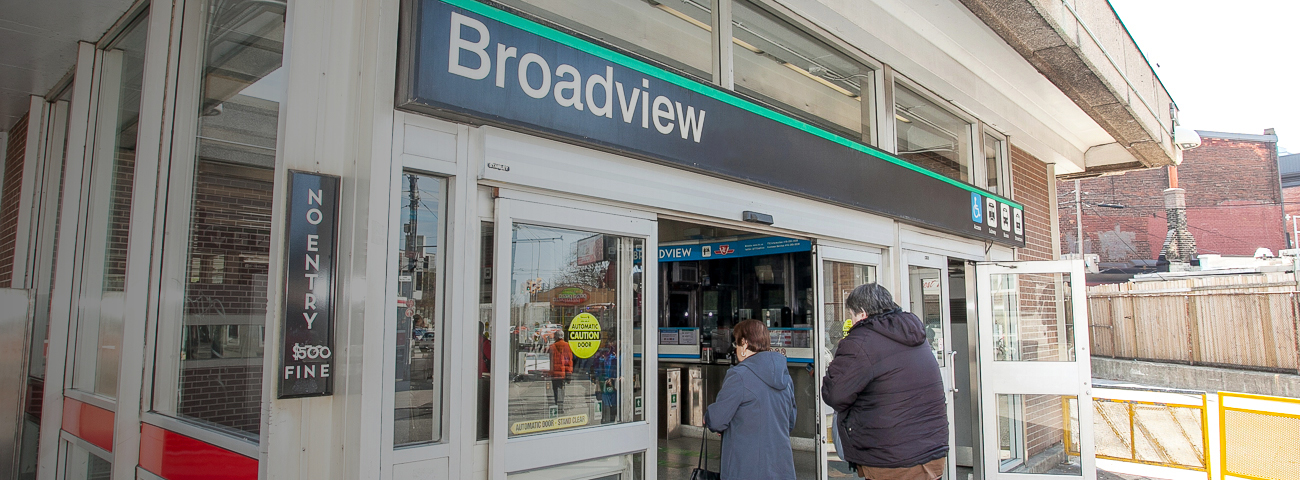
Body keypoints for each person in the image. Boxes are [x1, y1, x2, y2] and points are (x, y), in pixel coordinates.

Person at [821, 283, 948, 480]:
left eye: (851, 315)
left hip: (892, 458)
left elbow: (835, 395)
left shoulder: (860, 341)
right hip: (932, 452)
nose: (851, 321)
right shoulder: (914, 334)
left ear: (862, 313)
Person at [704, 319, 796, 480]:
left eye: (736, 344)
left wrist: (709, 417)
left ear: (745, 344)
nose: (735, 349)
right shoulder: (785, 377)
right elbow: (790, 422)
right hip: (782, 469)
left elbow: (717, 420)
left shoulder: (739, 376)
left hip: (746, 469)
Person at [547, 328, 573, 411]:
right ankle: (561, 406)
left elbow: (549, 361)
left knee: (555, 389)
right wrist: (569, 374)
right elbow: (569, 361)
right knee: (562, 389)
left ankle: (556, 404)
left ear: (556, 337)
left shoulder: (552, 347)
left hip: (554, 373)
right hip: (563, 373)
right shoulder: (567, 346)